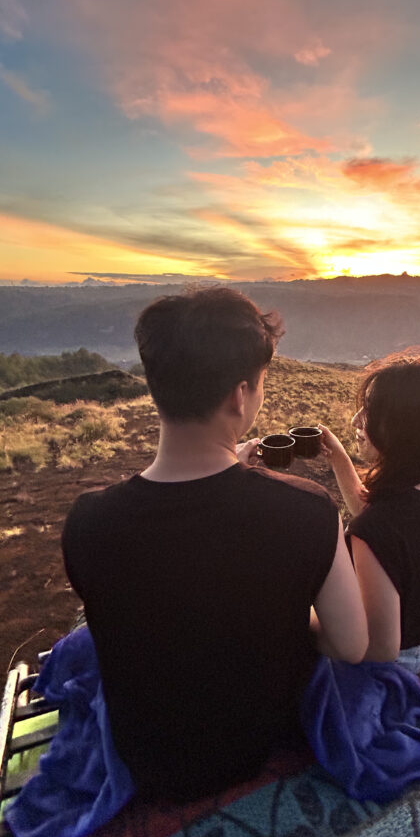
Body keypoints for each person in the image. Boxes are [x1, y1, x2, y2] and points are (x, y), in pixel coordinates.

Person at [61, 287, 368, 803]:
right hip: (257, 745)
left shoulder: (89, 521)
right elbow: (351, 644)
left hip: (147, 758)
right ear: (240, 394)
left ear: (157, 386)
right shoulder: (308, 510)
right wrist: (283, 609)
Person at [319, 353, 420, 671]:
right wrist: (338, 457)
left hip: (396, 662)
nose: (356, 421)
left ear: (402, 430)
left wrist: (305, 623)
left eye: (370, 413)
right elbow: (384, 525)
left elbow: (380, 646)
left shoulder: (374, 529)